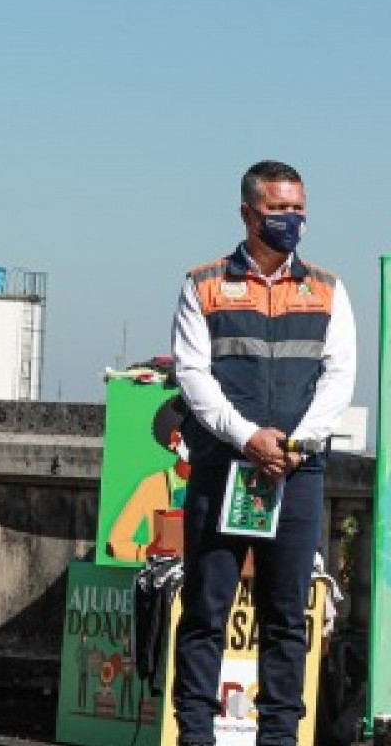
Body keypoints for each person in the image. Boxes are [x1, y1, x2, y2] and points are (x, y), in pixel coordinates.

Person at [169, 159, 355, 746]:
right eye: (279, 209)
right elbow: (193, 374)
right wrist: (247, 435)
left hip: (297, 473)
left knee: (286, 618)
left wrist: (296, 444)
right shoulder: (202, 284)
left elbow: (339, 374)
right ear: (249, 213)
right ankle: (196, 734)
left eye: (298, 208)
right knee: (206, 611)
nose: (291, 219)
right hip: (225, 466)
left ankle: (279, 738)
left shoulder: (327, 288)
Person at [105, 396, 192, 563]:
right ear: (174, 439)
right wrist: (149, 552)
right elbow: (115, 543)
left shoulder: (220, 482)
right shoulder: (154, 485)